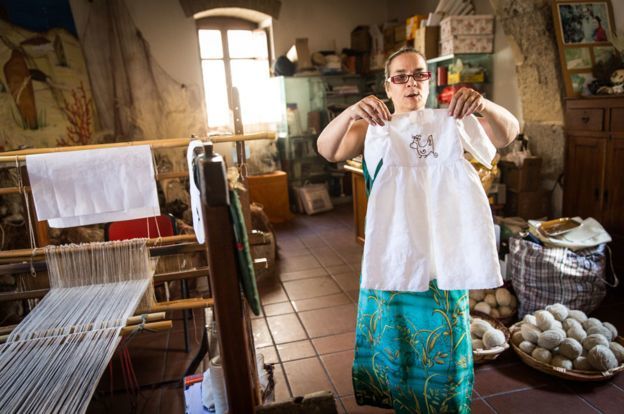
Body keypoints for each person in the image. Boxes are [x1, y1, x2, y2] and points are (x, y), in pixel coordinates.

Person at [317, 47, 519, 413]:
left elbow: (508, 134)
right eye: (400, 76)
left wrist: (483, 105)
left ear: (429, 80)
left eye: (419, 74)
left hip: (444, 258)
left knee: (444, 343)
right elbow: (327, 149)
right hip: (393, 254)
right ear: (387, 85)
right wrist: (350, 111)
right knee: (397, 343)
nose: (411, 83)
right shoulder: (372, 126)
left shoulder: (451, 120)